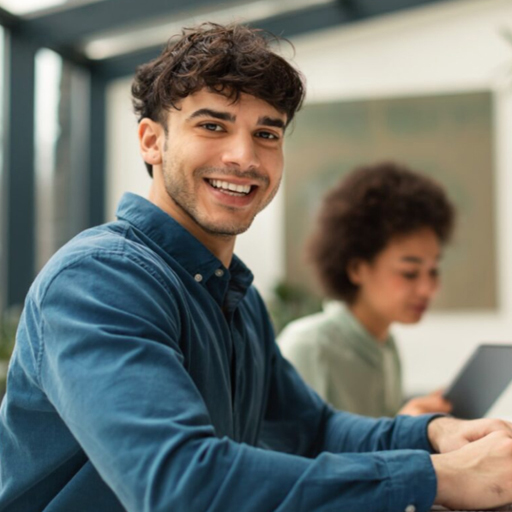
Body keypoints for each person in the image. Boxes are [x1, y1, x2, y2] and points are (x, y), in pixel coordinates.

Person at [1, 22, 512, 512]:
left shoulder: (231, 296)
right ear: (151, 141)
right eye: (212, 125)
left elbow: (311, 430)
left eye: (267, 134)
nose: (244, 156)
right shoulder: (100, 280)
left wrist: (435, 434)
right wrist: (444, 477)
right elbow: (181, 484)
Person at [279, 163, 454, 418]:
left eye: (434, 271)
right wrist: (404, 428)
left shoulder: (384, 347)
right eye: (409, 273)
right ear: (357, 269)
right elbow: (293, 456)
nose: (428, 289)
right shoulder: (308, 346)